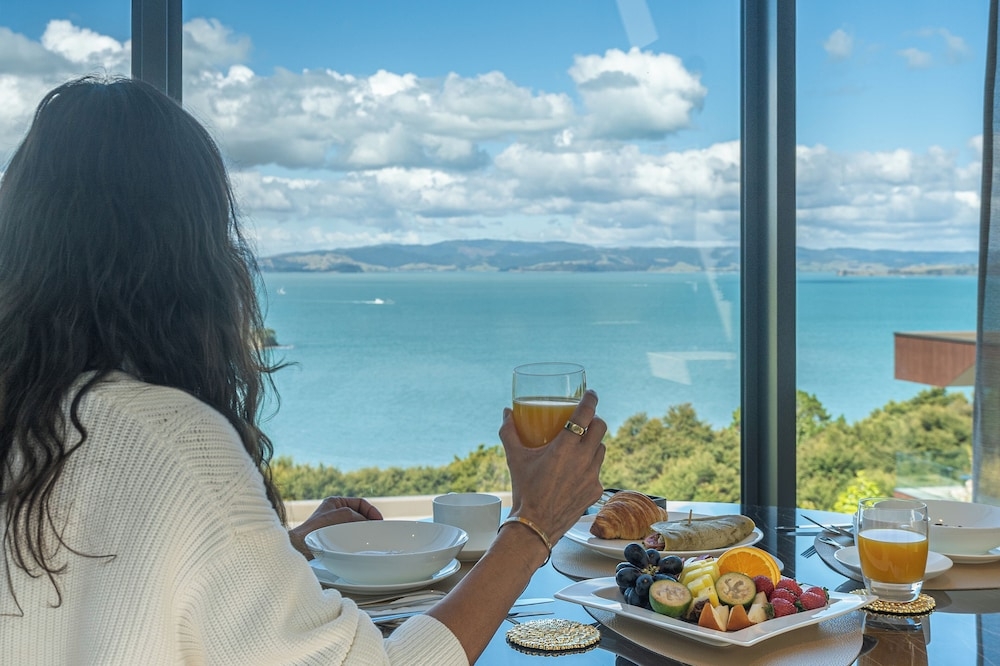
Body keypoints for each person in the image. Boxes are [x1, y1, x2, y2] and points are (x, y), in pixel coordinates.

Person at [0, 76, 606, 664]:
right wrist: (533, 524)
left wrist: (269, 553)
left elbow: (94, 589)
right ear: (191, 265)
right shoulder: (172, 439)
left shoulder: (29, 415)